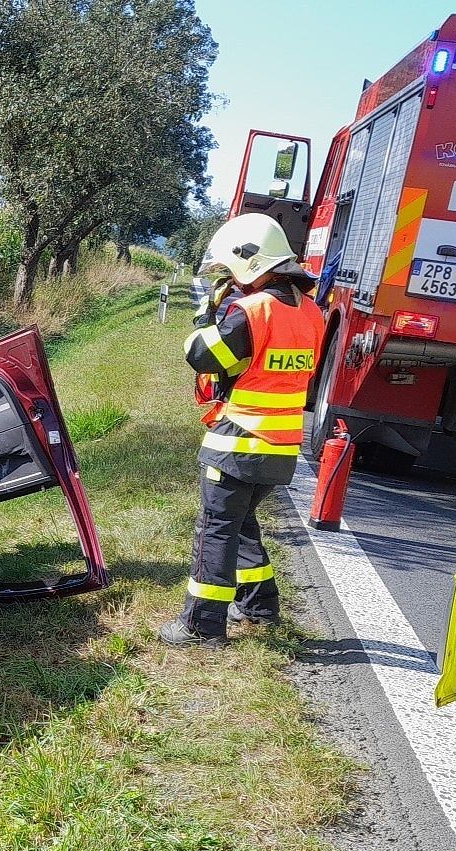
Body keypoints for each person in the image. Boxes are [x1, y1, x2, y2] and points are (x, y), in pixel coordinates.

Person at [160, 213, 326, 648]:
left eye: (231, 269)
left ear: (248, 260)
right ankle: (260, 606)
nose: (229, 278)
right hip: (282, 447)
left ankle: (201, 625)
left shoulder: (251, 311)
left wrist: (206, 316)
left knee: (215, 529)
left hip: (239, 441)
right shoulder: (310, 312)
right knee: (241, 522)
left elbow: (203, 356)